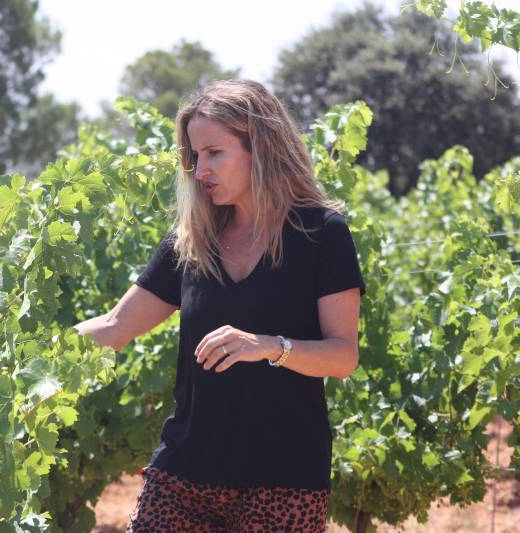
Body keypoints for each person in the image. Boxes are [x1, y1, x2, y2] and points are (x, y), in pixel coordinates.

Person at [75, 79, 366, 532]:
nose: (200, 170)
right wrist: (29, 356)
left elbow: (343, 356)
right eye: (194, 157)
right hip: (183, 473)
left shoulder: (321, 235)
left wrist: (269, 346)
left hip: (283, 479)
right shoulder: (191, 242)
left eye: (214, 153)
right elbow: (116, 326)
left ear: (261, 147)